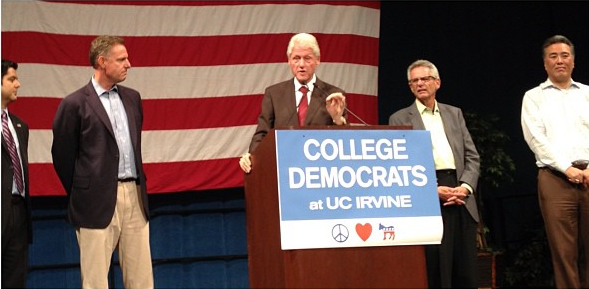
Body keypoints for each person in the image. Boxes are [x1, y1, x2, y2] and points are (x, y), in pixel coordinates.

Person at [51, 36, 153, 289]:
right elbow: (62, 156)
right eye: (121, 59)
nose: (128, 64)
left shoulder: (133, 98)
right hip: (93, 202)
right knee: (95, 281)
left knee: (141, 280)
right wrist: (84, 189)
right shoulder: (74, 103)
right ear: (102, 61)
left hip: (134, 198)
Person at [389, 59, 480, 288]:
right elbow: (401, 167)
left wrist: (465, 187)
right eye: (415, 81)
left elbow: (472, 157)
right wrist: (431, 190)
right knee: (438, 272)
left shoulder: (454, 113)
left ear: (437, 83)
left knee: (466, 272)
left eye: (425, 79)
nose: (420, 84)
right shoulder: (400, 119)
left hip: (461, 195)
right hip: (428, 195)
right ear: (410, 87)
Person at [521, 35, 589, 289]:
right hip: (555, 179)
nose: (559, 60)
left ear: (573, 60)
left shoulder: (587, 94)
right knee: (564, 252)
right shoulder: (534, 97)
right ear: (545, 64)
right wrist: (567, 168)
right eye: (553, 56)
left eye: (564, 55)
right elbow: (536, 139)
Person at [239, 32, 347, 173]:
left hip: (321, 171)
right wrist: (252, 157)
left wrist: (337, 119)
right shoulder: (274, 94)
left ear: (318, 60)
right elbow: (262, 134)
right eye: (296, 58)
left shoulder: (333, 94)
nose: (301, 64)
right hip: (285, 169)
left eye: (307, 58)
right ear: (289, 60)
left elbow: (344, 142)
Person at [2, 59, 32, 288]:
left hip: (18, 211)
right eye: (12, 79)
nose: (18, 84)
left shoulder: (20, 125)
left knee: (15, 279)